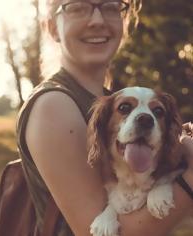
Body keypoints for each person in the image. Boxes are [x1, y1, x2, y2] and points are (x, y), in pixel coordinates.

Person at [16, 0, 193, 235]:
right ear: (52, 27)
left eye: (110, 6)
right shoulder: (53, 105)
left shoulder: (115, 102)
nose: (97, 20)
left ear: (125, 22)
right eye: (78, 6)